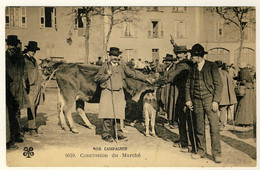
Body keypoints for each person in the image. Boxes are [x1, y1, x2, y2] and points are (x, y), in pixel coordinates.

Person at [94, 47, 153, 142]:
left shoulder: (122, 65)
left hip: (119, 92)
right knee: (107, 114)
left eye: (116, 56)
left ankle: (118, 133)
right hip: (108, 92)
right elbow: (96, 78)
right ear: (110, 56)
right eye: (113, 55)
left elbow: (132, 73)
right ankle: (106, 134)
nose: (115, 57)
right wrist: (106, 75)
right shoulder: (105, 66)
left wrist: (145, 78)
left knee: (118, 114)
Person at [185, 43, 223, 163]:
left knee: (214, 127)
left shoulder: (212, 66)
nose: (191, 57)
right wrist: (188, 99)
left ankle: (216, 153)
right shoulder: (193, 68)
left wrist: (216, 100)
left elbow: (218, 84)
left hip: (209, 100)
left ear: (198, 56)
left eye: (192, 55)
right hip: (196, 101)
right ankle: (201, 151)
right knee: (199, 127)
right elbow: (188, 85)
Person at [165, 46, 192, 152]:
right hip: (183, 93)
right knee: (182, 118)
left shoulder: (182, 65)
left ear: (185, 54)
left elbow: (171, 76)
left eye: (181, 53)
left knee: (183, 118)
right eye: (177, 53)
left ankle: (185, 143)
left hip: (185, 94)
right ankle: (183, 139)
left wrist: (158, 80)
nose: (178, 55)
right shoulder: (187, 63)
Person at [6, 35, 30, 149]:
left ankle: (18, 134)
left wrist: (25, 82)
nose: (12, 47)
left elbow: (25, 71)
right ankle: (10, 137)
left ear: (16, 45)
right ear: (7, 45)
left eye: (13, 45)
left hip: (19, 88)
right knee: (9, 113)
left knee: (17, 112)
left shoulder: (20, 57)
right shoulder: (4, 57)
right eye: (10, 45)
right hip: (8, 88)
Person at [23, 41, 44, 137]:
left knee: (35, 107)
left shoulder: (33, 60)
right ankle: (32, 128)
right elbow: (23, 75)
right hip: (29, 87)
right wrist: (25, 86)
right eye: (32, 51)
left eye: (34, 51)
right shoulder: (24, 60)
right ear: (28, 50)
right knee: (31, 107)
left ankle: (32, 126)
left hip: (37, 87)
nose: (33, 52)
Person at [215, 60, 237, 130]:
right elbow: (232, 83)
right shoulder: (226, 73)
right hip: (225, 95)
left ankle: (216, 124)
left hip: (216, 94)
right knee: (223, 110)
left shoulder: (215, 73)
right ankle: (222, 124)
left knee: (214, 110)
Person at [158, 54, 178, 129]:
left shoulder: (174, 67)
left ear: (172, 61)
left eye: (169, 61)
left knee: (171, 103)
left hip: (171, 87)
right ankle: (168, 119)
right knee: (165, 102)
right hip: (165, 87)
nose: (167, 62)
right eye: (166, 61)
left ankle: (173, 121)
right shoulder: (165, 67)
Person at [235, 61, 256, 126]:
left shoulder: (242, 71)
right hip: (250, 90)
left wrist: (238, 82)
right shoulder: (248, 70)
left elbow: (243, 81)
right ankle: (250, 121)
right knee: (250, 106)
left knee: (243, 106)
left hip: (245, 90)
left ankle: (243, 122)